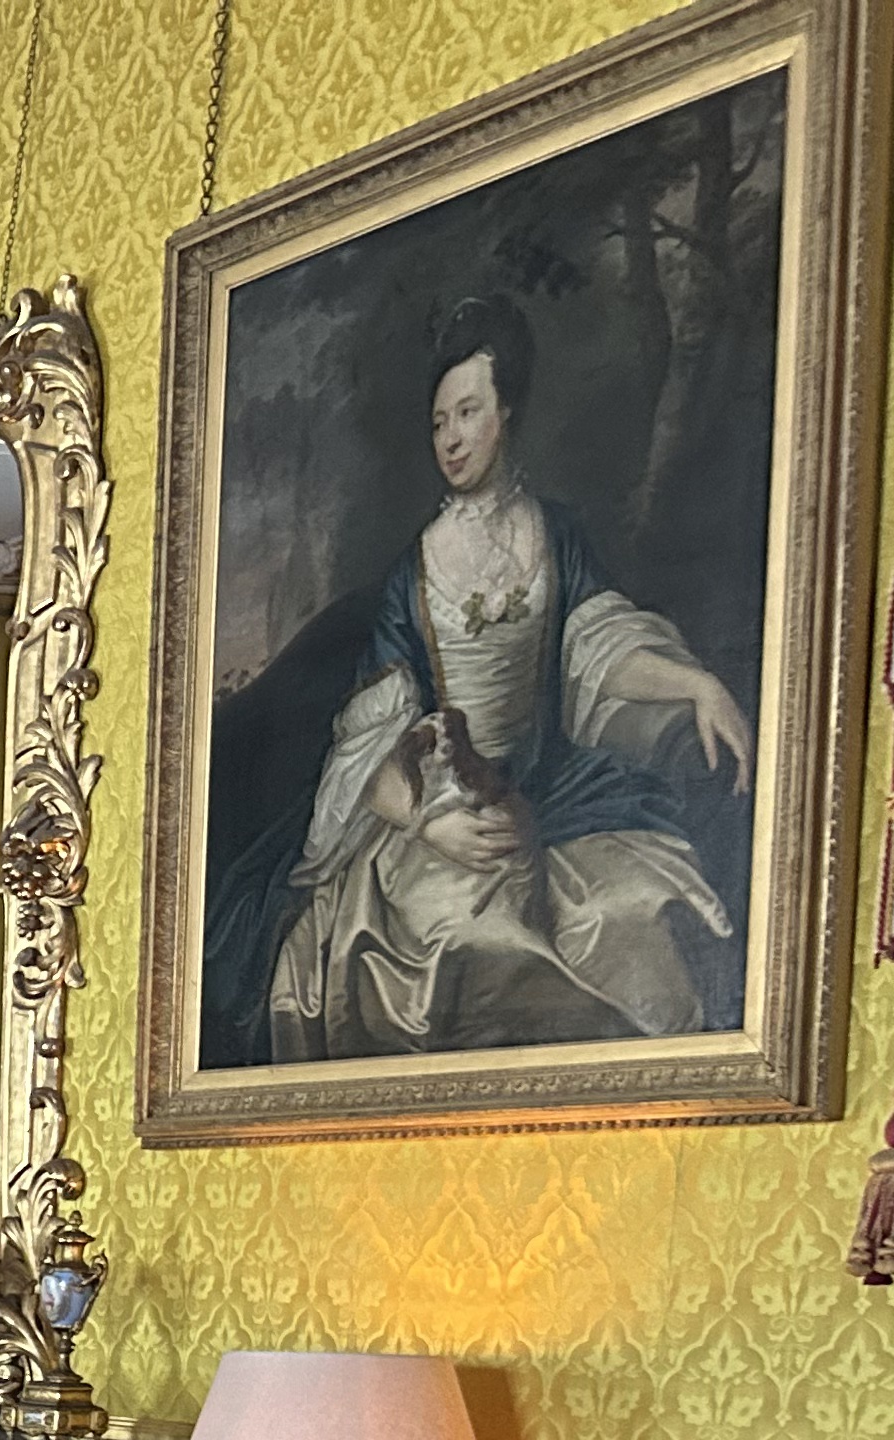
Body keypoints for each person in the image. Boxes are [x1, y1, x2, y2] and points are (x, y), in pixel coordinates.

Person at [220, 291, 756, 1064]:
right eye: (439, 421)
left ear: (506, 412)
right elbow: (371, 738)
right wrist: (425, 823)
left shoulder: (557, 534)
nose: (451, 437)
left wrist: (696, 685)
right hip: (444, 802)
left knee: (640, 911)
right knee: (464, 939)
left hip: (554, 788)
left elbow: (596, 645)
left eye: (468, 413)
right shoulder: (413, 571)